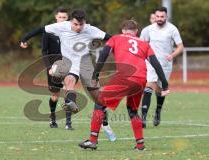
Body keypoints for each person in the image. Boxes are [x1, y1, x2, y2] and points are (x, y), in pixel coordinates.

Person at [20, 9, 116, 141]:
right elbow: (41, 29)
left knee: (98, 99)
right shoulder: (62, 27)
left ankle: (105, 124)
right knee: (69, 81)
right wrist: (25, 38)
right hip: (69, 63)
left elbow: (111, 38)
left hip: (85, 64)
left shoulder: (91, 30)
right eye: (75, 24)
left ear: (85, 23)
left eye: (80, 25)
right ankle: (71, 102)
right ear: (71, 21)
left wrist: (121, 49)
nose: (78, 27)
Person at [79, 19, 169, 151]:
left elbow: (104, 54)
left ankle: (92, 141)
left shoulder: (116, 38)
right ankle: (140, 145)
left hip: (124, 77)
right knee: (132, 110)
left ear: (123, 30)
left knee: (99, 103)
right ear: (136, 31)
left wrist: (95, 74)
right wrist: (165, 84)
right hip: (140, 79)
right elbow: (155, 63)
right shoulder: (144, 44)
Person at [20, 7, 74, 129]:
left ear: (68, 19)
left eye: (64, 17)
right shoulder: (48, 31)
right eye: (60, 17)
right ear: (56, 17)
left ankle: (68, 123)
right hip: (53, 67)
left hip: (67, 64)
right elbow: (45, 52)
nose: (62, 19)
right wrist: (49, 67)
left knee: (68, 91)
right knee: (55, 94)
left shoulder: (71, 31)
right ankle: (53, 117)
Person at [140, 7, 184, 128]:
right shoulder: (148, 29)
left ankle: (158, 111)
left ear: (166, 17)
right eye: (157, 16)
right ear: (155, 16)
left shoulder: (172, 29)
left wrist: (172, 55)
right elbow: (141, 45)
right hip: (151, 63)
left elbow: (180, 46)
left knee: (160, 90)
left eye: (162, 17)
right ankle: (143, 118)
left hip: (165, 65)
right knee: (148, 86)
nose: (159, 19)